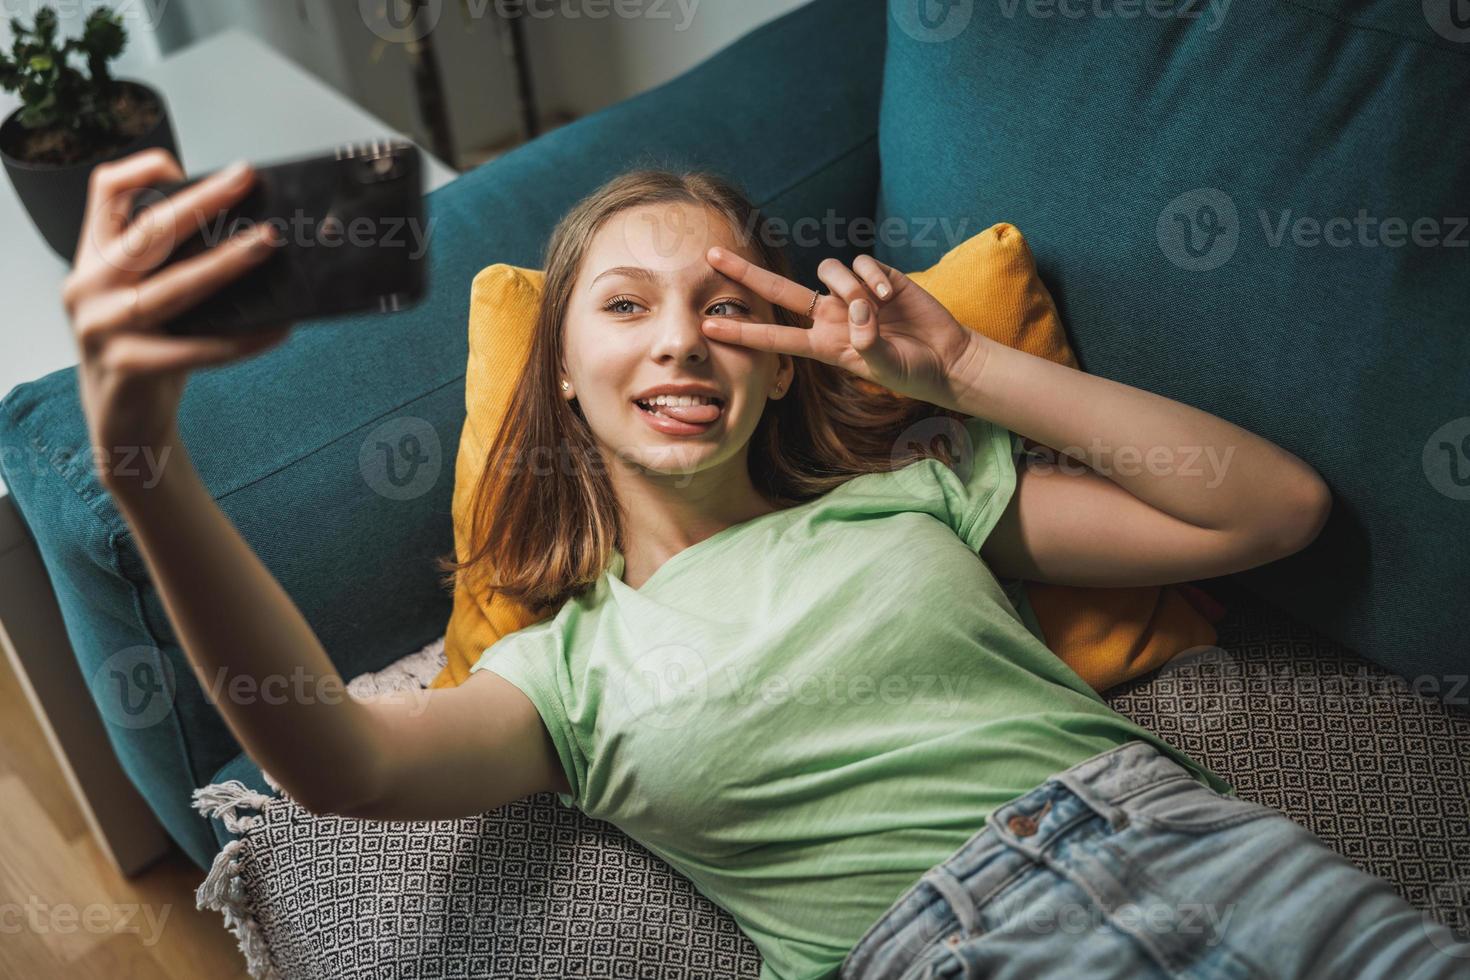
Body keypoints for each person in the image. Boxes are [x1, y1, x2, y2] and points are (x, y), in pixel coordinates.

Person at [63, 149, 1469, 979]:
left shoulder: (910, 495)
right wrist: (147, 464)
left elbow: (1266, 512)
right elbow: (337, 771)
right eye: (625, 306)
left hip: (1228, 868)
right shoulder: (559, 670)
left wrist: (967, 368)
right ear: (558, 370)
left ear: (782, 359)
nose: (680, 339)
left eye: (727, 305)